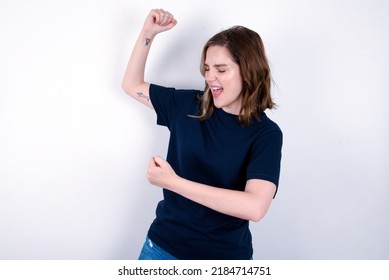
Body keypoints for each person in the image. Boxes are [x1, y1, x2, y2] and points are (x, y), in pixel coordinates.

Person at [122, 8, 282, 260]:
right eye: (207, 68)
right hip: (162, 250)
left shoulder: (266, 134)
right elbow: (132, 85)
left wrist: (173, 182)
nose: (210, 77)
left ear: (248, 71)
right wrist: (148, 33)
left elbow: (255, 207)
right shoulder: (186, 105)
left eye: (221, 69)